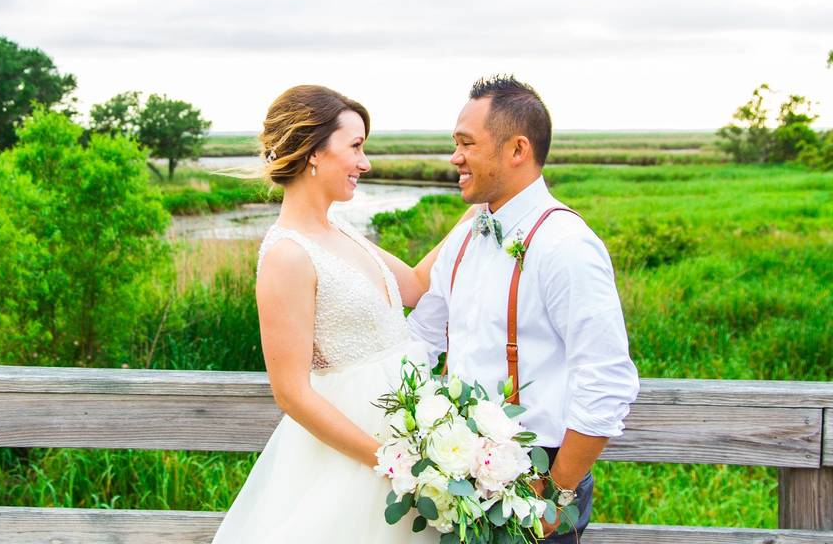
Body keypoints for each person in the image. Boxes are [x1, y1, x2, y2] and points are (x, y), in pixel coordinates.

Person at [211, 85, 472, 543]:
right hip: (360, 455)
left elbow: (413, 285)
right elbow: (291, 392)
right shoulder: (287, 255)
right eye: (355, 146)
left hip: (406, 434)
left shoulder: (340, 229)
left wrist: (476, 215)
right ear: (313, 152)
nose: (365, 162)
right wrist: (390, 460)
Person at [407, 75, 640, 542]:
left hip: (540, 478)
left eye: (466, 143)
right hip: (457, 477)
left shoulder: (566, 245)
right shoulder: (466, 235)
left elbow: (607, 379)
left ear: (517, 150)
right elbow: (422, 337)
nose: (455, 157)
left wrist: (557, 493)